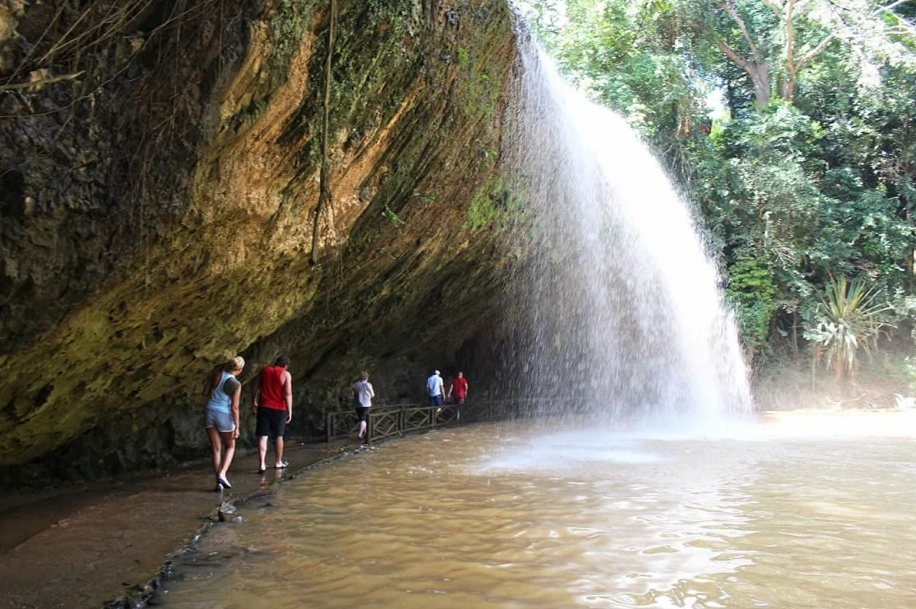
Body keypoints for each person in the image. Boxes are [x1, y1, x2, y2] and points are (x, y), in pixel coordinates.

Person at [203, 356, 244, 492]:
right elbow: (234, 407)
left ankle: (218, 483)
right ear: (239, 369)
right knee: (230, 446)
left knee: (215, 449)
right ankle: (222, 474)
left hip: (209, 412)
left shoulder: (216, 375)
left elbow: (205, 393)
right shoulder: (236, 385)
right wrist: (237, 427)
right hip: (223, 414)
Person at [252, 355, 292, 473]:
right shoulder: (286, 374)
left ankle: (262, 464)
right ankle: (278, 462)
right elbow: (288, 393)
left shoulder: (264, 370)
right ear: (285, 366)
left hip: (263, 406)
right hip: (279, 408)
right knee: (278, 436)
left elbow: (254, 387)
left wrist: (253, 401)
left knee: (263, 436)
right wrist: (289, 410)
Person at [352, 371, 375, 440]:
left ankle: (366, 434)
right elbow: (373, 395)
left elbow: (353, 394)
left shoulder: (355, 384)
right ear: (367, 377)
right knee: (363, 420)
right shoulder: (368, 384)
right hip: (366, 404)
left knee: (362, 419)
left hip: (358, 404)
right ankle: (360, 434)